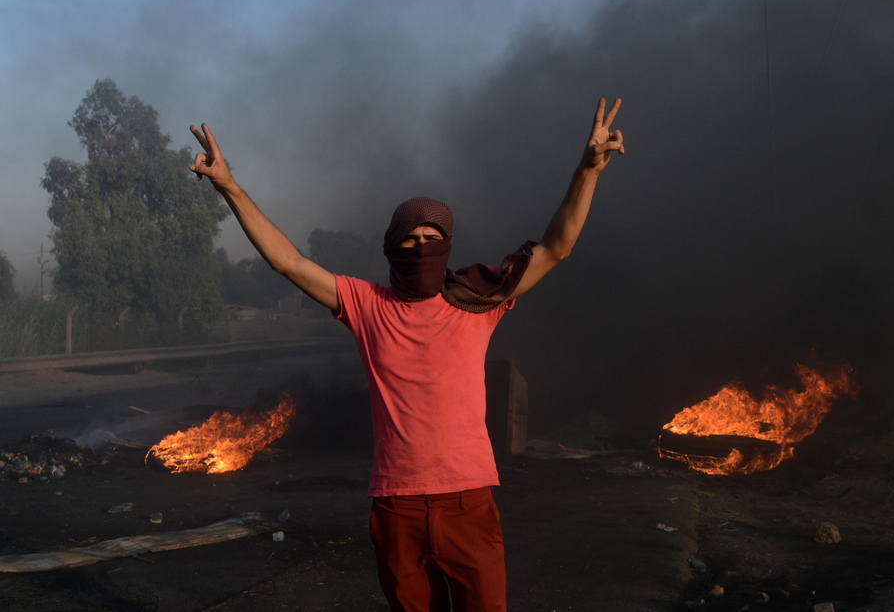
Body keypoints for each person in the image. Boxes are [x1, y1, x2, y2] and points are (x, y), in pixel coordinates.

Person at [189, 97, 624, 612]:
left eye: (432, 237)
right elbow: (288, 262)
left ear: (448, 246)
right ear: (392, 248)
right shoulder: (368, 305)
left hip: (468, 501)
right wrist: (229, 187)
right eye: (410, 238)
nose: (420, 246)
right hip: (395, 506)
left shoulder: (479, 301)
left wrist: (587, 171)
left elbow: (557, 247)